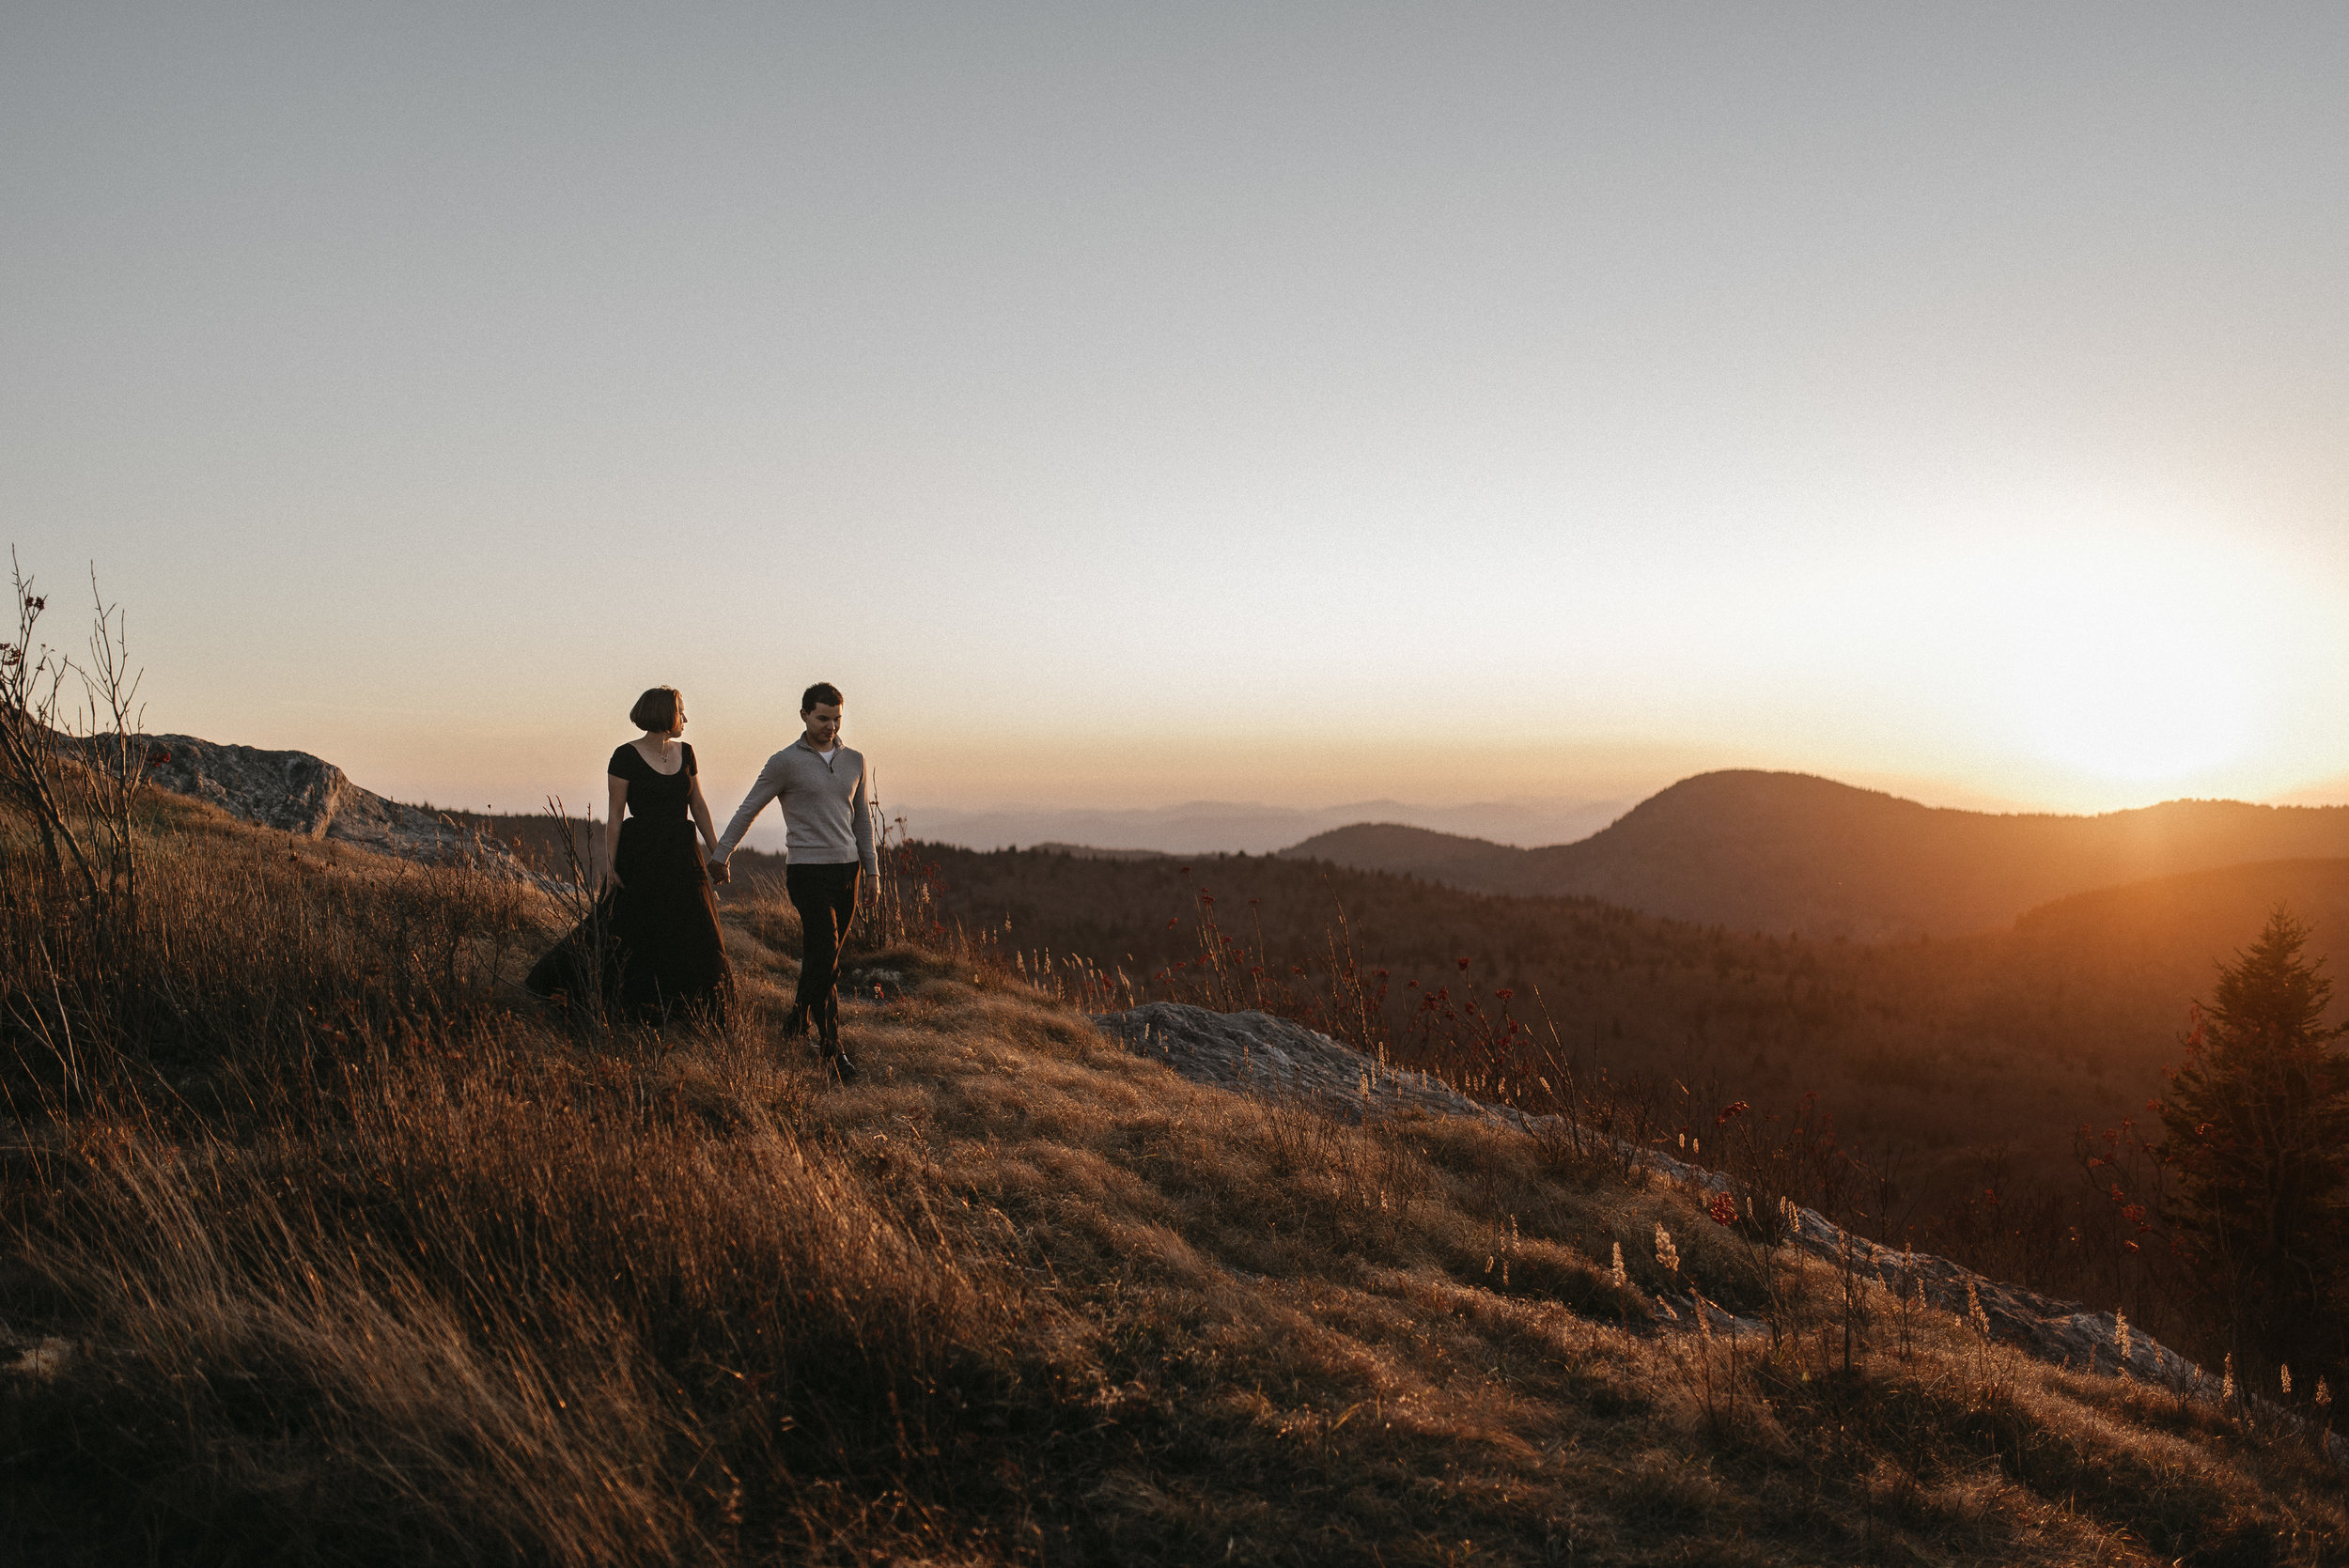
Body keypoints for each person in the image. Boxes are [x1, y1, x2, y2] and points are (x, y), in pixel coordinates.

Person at [527, 685, 734, 1022]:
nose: (686, 718)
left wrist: (718, 853)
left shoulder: (687, 752)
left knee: (698, 930)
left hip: (683, 854)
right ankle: (625, 1004)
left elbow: (697, 804)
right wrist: (610, 866)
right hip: (642, 854)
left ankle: (699, 1013)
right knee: (632, 927)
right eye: (681, 710)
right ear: (665, 713)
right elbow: (615, 815)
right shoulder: (624, 756)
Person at [706, 681, 876, 1079]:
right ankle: (833, 1050)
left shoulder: (854, 760)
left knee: (824, 959)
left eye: (836, 719)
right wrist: (721, 855)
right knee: (826, 954)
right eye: (822, 718)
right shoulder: (784, 762)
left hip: (847, 871)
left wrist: (872, 871)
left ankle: (796, 1020)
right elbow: (749, 808)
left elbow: (862, 819)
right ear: (803, 715)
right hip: (806, 872)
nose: (830, 726)